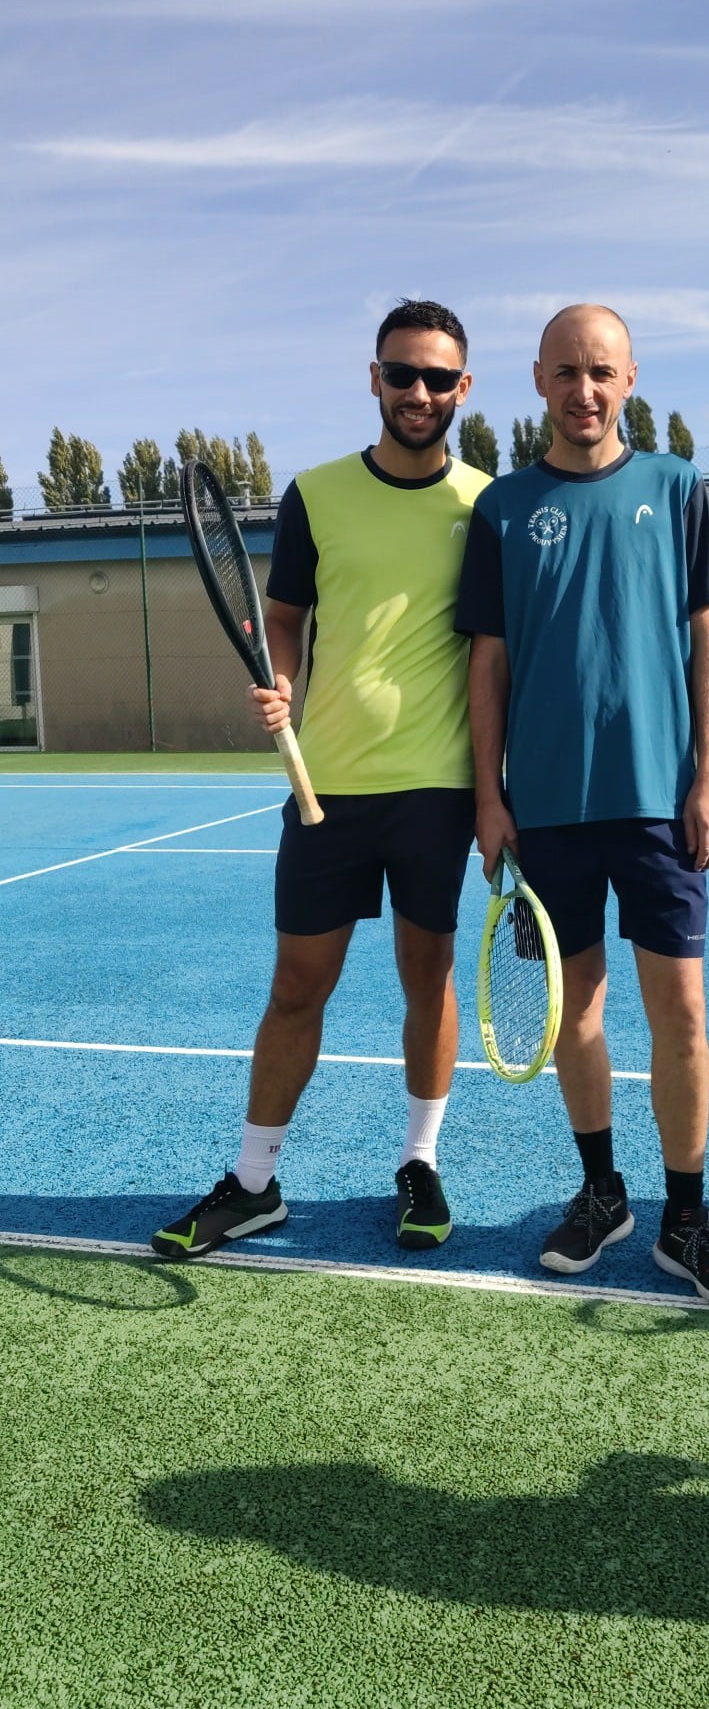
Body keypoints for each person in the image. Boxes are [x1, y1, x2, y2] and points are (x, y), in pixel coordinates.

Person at [151, 300, 491, 1262]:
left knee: (427, 977)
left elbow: (494, 652)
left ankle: (419, 1163)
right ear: (373, 378)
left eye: (437, 377)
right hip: (326, 790)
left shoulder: (488, 506)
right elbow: (285, 618)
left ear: (462, 389)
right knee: (297, 987)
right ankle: (254, 1183)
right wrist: (282, 683)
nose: (417, 392)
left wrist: (496, 789)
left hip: (435, 791)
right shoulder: (315, 494)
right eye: (401, 373)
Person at [454, 303, 709, 1311]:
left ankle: (685, 1218)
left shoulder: (674, 487)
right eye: (565, 372)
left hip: (659, 805)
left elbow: (705, 636)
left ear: (628, 379)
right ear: (536, 380)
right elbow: (488, 663)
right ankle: (602, 1194)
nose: (582, 391)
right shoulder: (502, 509)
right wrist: (488, 797)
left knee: (681, 1011)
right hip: (544, 811)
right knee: (573, 1010)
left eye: (601, 372)